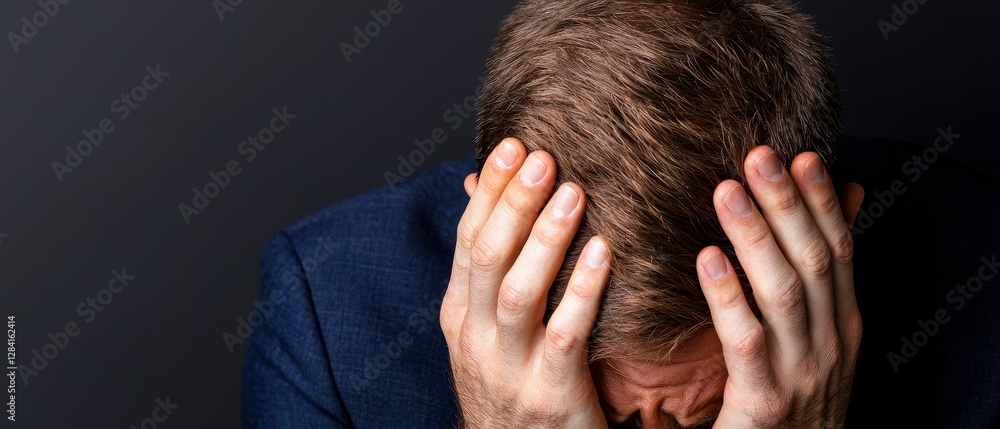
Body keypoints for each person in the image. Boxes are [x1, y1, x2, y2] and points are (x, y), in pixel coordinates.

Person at [242, 1, 1000, 428]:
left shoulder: (982, 286)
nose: (653, 420)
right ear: (487, 239)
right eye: (608, 383)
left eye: (702, 398)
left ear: (831, 236)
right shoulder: (331, 314)